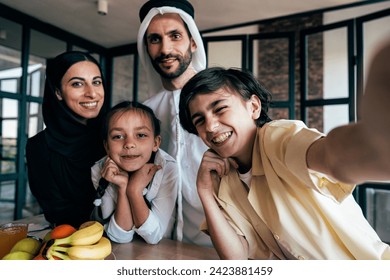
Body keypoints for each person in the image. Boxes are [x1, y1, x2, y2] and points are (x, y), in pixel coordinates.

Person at [178, 66, 390, 259]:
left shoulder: (276, 138)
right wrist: (205, 191)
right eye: (200, 120)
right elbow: (236, 259)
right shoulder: (225, 180)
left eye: (220, 109)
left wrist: (377, 140)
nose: (211, 127)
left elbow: (330, 156)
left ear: (253, 107)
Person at [137, 0, 211, 246]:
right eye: (155, 39)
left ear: (192, 42)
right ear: (146, 48)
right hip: (158, 243)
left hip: (217, 245)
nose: (165, 49)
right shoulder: (145, 111)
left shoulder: (222, 100)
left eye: (175, 36)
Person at [26, 51, 107, 228]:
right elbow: (57, 212)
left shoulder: (115, 135)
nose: (92, 93)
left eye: (96, 82)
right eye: (78, 84)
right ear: (58, 92)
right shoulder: (39, 147)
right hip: (74, 242)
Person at [90, 101, 178, 244]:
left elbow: (153, 237)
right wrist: (123, 188)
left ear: (156, 143)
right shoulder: (100, 169)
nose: (129, 144)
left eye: (141, 135)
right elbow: (120, 237)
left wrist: (134, 191)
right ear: (106, 146)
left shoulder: (167, 168)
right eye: (118, 136)